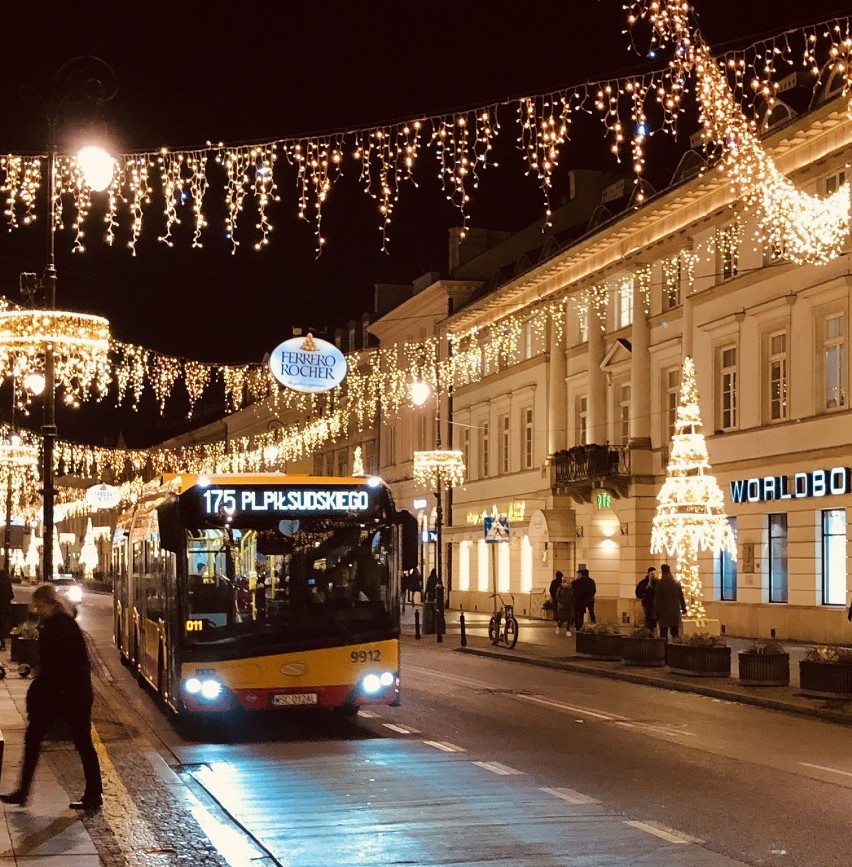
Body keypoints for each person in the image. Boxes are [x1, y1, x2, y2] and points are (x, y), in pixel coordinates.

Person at [0, 583, 102, 810]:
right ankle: (92, 793)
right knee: (76, 741)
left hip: (63, 694)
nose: (36, 610)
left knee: (72, 741)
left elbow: (60, 663)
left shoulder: (58, 626)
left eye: (37, 606)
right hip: (69, 692)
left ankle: (24, 791)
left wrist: (43, 682)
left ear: (45, 604)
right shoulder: (61, 623)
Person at [654, 563, 687, 640]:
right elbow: (681, 597)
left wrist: (655, 613)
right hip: (674, 611)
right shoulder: (676, 583)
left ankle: (664, 649)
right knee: (675, 633)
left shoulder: (659, 584)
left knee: (663, 633)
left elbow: (657, 600)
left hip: (663, 613)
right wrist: (683, 608)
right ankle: (675, 649)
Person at [572, 567, 597, 631]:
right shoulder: (591, 581)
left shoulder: (579, 581)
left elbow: (579, 591)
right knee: (591, 612)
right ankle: (593, 623)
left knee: (581, 613)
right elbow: (594, 590)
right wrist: (590, 595)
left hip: (581, 599)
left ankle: (580, 625)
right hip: (590, 599)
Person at [637, 566, 659, 632]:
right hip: (654, 606)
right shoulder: (658, 583)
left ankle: (650, 634)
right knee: (653, 622)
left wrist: (642, 599)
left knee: (649, 621)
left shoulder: (644, 583)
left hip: (648, 606)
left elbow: (638, 592)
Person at [555, 572, 575, 637]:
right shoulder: (560, 589)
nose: (568, 584)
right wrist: (562, 602)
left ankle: (568, 631)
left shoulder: (570, 589)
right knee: (562, 618)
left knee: (569, 618)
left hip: (569, 605)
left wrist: (572, 602)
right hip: (562, 606)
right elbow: (558, 597)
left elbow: (573, 596)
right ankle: (558, 626)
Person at [0, 567, 14, 651]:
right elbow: (11, 596)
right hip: (5, 609)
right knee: (2, 628)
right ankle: (2, 645)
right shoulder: (7, 585)